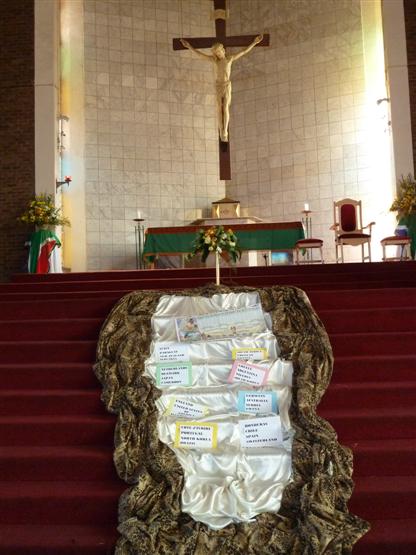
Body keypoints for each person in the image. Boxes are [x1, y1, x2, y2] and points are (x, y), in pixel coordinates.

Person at [180, 35, 264, 142]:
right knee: (219, 109)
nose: (218, 55)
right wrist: (189, 47)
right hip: (218, 86)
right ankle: (221, 130)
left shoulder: (229, 59)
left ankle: (225, 130)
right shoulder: (215, 61)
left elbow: (243, 52)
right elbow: (201, 55)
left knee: (225, 108)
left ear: (223, 50)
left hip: (226, 85)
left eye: (219, 52)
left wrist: (254, 42)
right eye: (216, 53)